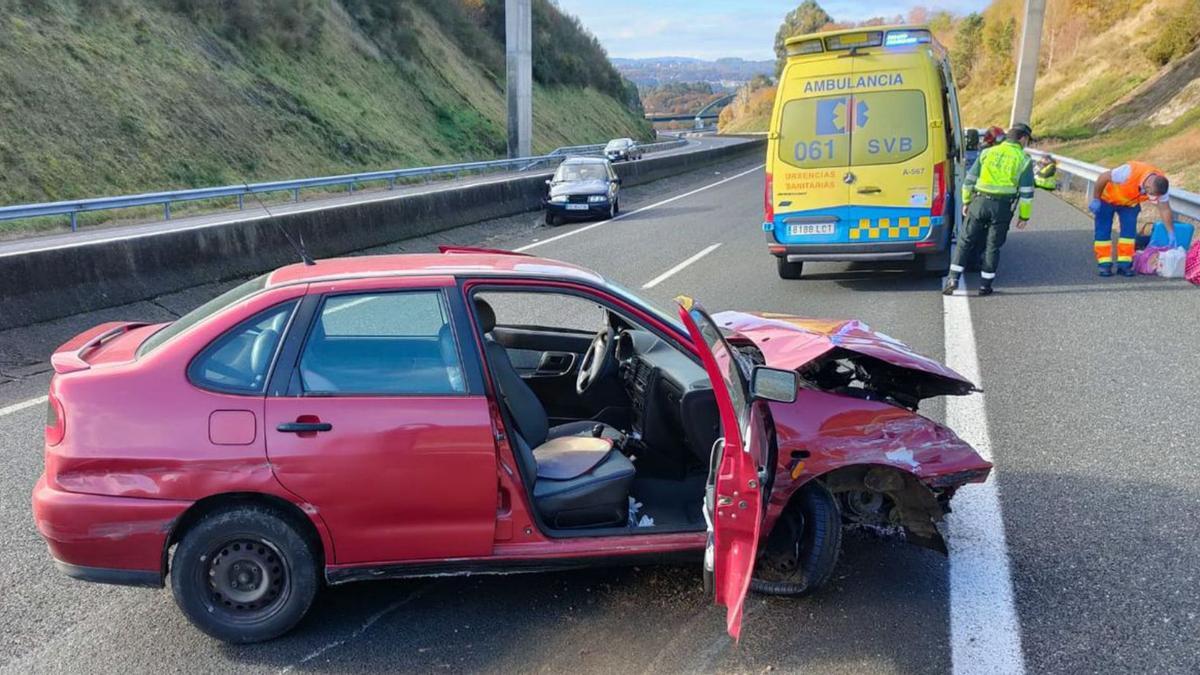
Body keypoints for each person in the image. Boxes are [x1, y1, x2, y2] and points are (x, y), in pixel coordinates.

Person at [942, 123, 1036, 297]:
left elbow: (969, 180)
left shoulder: (987, 153)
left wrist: (966, 201)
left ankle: (952, 279)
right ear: (1022, 138)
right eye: (1027, 141)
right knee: (993, 246)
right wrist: (1024, 216)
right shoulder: (1023, 159)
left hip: (979, 202)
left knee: (965, 241)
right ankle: (985, 286)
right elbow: (1026, 193)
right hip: (1001, 207)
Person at [1089, 161, 1175, 276]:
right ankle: (1104, 265)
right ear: (1148, 185)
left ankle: (1124, 265)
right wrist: (1096, 199)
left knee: (1128, 236)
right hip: (1107, 200)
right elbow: (1103, 177)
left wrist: (1171, 232)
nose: (1152, 196)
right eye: (1151, 193)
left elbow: (1165, 209)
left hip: (1129, 204)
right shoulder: (1128, 172)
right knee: (1103, 233)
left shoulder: (1161, 185)